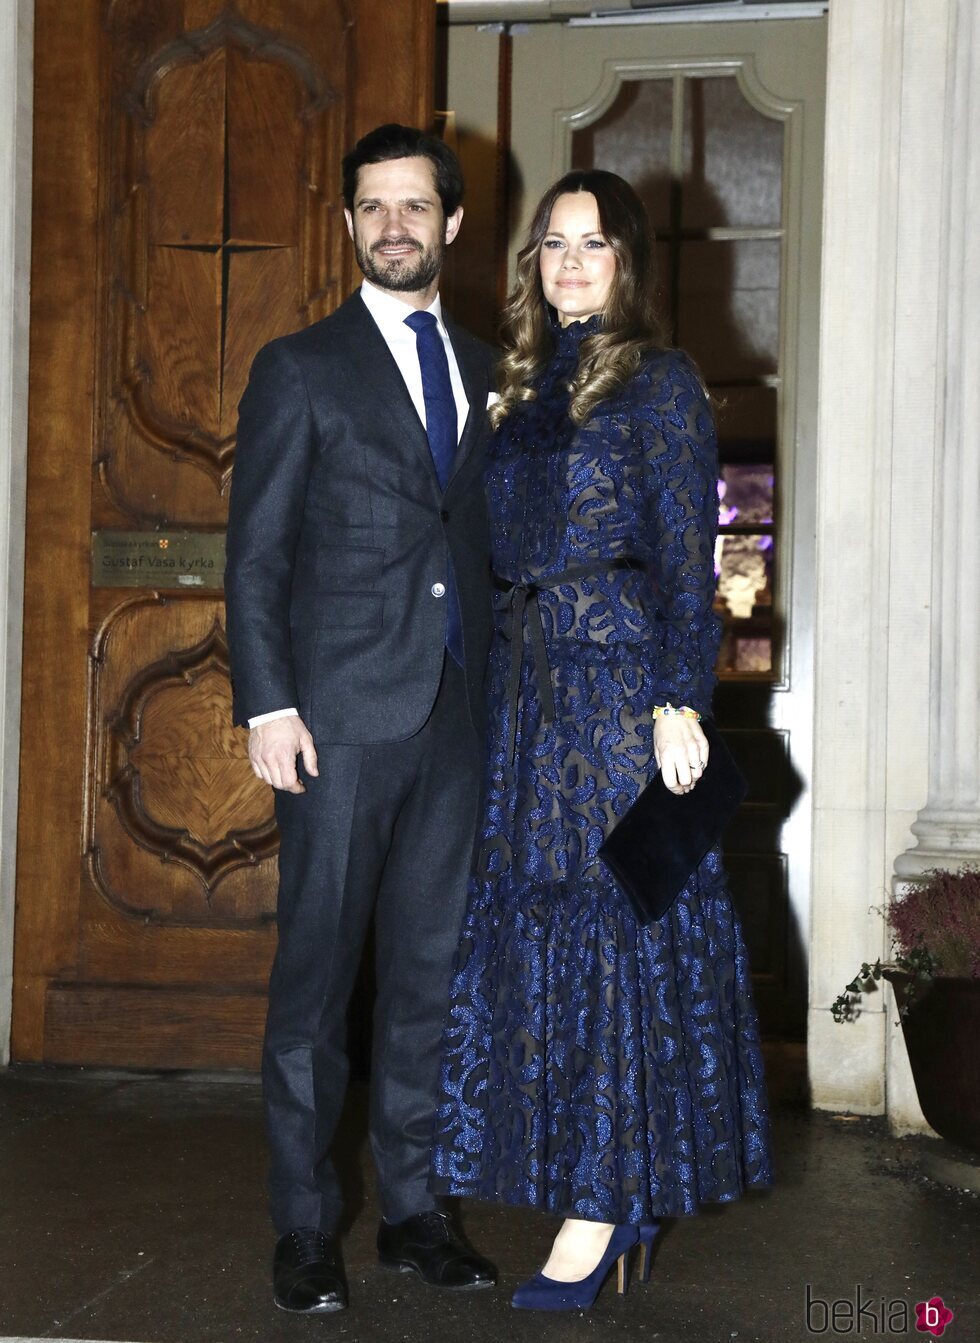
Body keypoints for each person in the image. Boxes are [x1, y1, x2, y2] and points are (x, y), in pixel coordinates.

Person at [429, 169, 773, 1311]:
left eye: (593, 244)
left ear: (628, 260)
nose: (570, 262)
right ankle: (592, 1177)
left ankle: (605, 1198)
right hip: (529, 701)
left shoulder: (662, 383)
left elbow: (687, 553)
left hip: (619, 693)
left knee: (619, 934)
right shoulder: (518, 385)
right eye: (551, 244)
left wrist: (681, 701)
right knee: (541, 944)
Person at [225, 124, 498, 1314]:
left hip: (455, 714)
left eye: (415, 206)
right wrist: (268, 703)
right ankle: (302, 1225)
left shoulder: (493, 368)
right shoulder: (299, 367)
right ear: (349, 227)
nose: (395, 225)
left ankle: (414, 1208)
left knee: (427, 977)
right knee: (319, 978)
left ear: (451, 224)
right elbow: (256, 553)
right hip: (335, 718)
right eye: (373, 208)